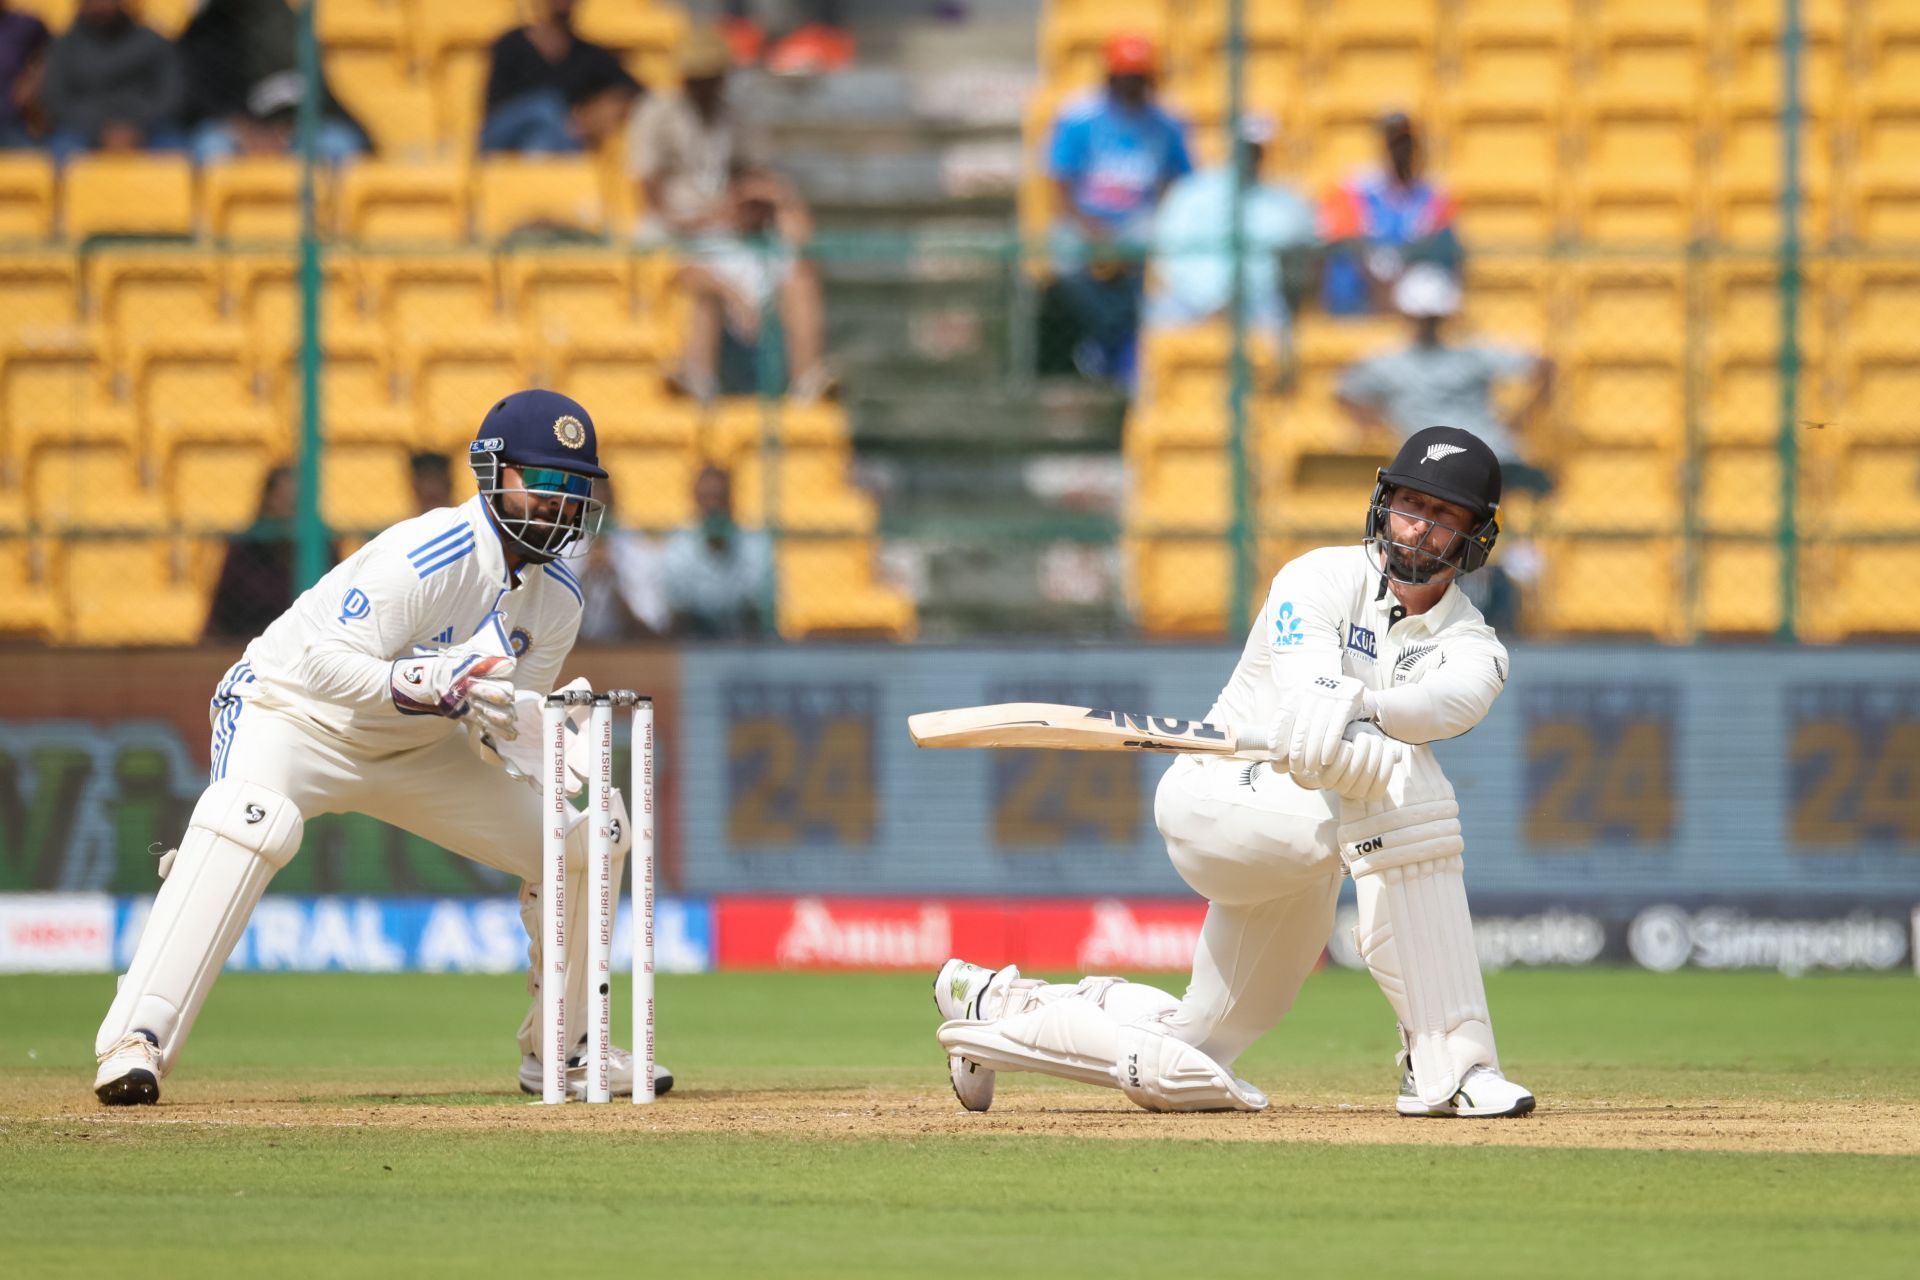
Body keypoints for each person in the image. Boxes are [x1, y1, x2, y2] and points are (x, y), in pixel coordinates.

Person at [933, 425, 1535, 1120]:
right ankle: (1448, 1063)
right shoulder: (1315, 577)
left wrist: (1362, 705)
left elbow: (1442, 705)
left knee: (1192, 1047)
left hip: (1312, 844)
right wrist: (1332, 712)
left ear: (1473, 539)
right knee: (1399, 777)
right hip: (1222, 798)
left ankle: (996, 1007)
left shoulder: (1474, 647)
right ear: (1382, 503)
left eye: (1442, 517)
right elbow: (1308, 680)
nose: (1418, 528)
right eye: (1409, 505)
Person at [92, 390, 674, 1105]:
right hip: (294, 715)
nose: (562, 502)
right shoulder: (431, 552)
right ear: (492, 472)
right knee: (254, 819)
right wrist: (421, 680)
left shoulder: (560, 600)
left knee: (583, 839)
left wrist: (533, 737)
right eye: (546, 482)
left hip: (419, 748)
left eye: (575, 487)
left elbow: (487, 720)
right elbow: (318, 665)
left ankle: (569, 1050)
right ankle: (135, 1039)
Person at [629, 24, 830, 401]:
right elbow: (652, 202)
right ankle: (699, 377)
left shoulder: (734, 119)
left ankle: (808, 379)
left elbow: (752, 177)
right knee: (703, 283)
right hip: (671, 231)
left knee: (799, 275)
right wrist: (714, 217)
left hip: (720, 233)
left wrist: (760, 201)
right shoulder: (656, 115)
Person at [1045, 32, 1192, 382]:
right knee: (1063, 258)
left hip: (1140, 221)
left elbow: (1180, 181)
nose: (1132, 85)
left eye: (1139, 78)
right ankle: (1103, 340)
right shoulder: (1079, 116)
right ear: (1110, 77)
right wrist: (1091, 227)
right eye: (1126, 77)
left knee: (1165, 256)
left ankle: (1123, 349)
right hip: (1085, 219)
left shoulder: (1166, 122)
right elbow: (1060, 185)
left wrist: (1159, 214)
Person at [1337, 265, 1554, 494]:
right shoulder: (1468, 354)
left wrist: (1521, 419)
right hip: (1473, 460)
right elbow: (1345, 393)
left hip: (1448, 464)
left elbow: (1544, 367)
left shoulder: (1391, 363)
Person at [1143, 113, 1318, 366]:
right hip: (1191, 302)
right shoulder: (1190, 194)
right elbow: (1168, 256)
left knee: (1281, 333)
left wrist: (1236, 301)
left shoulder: (1287, 203)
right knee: (1161, 319)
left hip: (1258, 303)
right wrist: (1211, 302)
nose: (1249, 155)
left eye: (1255, 149)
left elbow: (1297, 265)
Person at [176, 0, 368, 165]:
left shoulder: (279, 19)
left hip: (289, 125)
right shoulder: (203, 28)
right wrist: (242, 127)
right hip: (229, 128)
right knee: (211, 145)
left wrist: (281, 128)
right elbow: (195, 92)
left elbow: (302, 84)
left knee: (338, 143)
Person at [1319, 111, 1459, 316]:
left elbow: (1437, 246)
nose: (1400, 151)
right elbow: (1348, 242)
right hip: (1363, 299)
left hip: (1410, 299)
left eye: (1406, 143)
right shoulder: (1354, 191)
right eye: (1394, 144)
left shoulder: (1435, 196)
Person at [479, 0, 638, 155]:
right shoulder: (511, 44)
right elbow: (496, 109)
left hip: (548, 140)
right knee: (545, 105)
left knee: (540, 140)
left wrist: (595, 113)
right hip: (500, 134)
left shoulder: (588, 55)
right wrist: (567, 122)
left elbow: (634, 90)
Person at [40, 0, 184, 162]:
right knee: (61, 151)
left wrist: (133, 129)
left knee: (174, 155)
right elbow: (55, 99)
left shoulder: (154, 42)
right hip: (82, 130)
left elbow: (171, 96)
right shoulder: (64, 46)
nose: (102, 5)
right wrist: (100, 131)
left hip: (147, 129)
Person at [659, 465, 769, 638]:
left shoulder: (755, 544)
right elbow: (676, 615)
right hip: (693, 644)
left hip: (743, 644)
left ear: (731, 499)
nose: (713, 506)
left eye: (719, 498)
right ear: (695, 501)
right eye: (706, 499)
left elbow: (758, 612)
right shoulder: (677, 548)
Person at [203, 465, 305, 643]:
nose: (289, 506)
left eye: (296, 500)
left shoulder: (322, 547)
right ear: (267, 500)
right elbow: (221, 608)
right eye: (282, 498)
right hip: (247, 641)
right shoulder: (246, 548)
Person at [0, 0, 50, 149]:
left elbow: (55, 54)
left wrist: (33, 80)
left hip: (11, 122)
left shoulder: (26, 25)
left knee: (34, 165)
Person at [408, 450, 452, 515]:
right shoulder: (403, 524)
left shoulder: (469, 519)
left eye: (437, 476)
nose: (431, 485)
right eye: (424, 477)